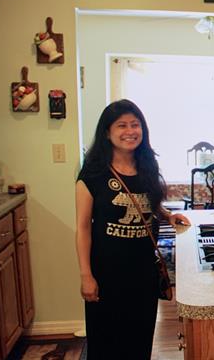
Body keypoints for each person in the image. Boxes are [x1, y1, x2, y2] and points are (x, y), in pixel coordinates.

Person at [75, 99, 190, 359]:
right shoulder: (92, 175)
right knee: (106, 343)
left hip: (143, 273)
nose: (130, 131)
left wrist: (168, 215)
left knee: (139, 341)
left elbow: (147, 203)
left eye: (135, 124)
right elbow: (82, 227)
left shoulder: (147, 168)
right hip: (107, 274)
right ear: (107, 132)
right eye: (122, 125)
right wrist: (86, 275)